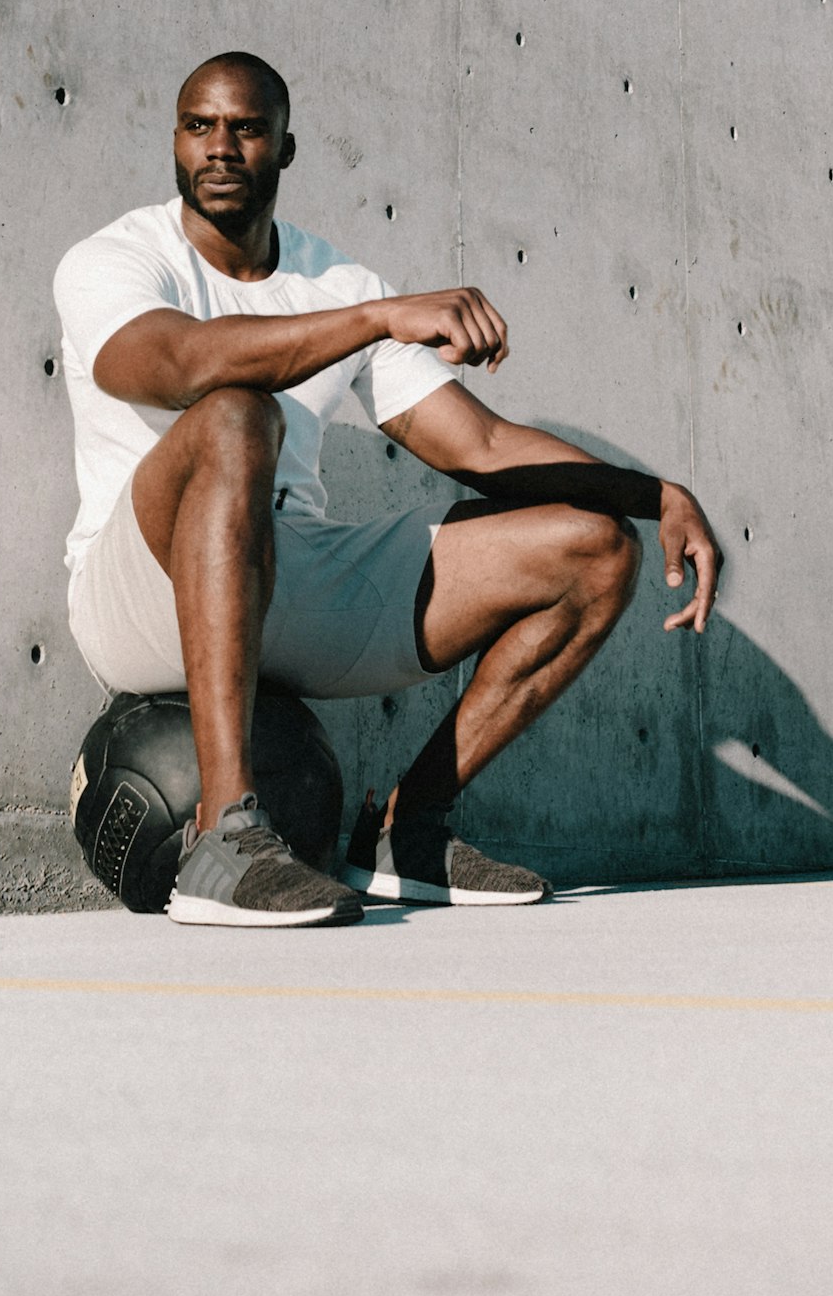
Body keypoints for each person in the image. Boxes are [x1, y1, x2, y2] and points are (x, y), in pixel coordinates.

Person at [53, 51, 720, 928]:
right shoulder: (115, 258)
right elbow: (176, 365)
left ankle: (408, 833)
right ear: (176, 140)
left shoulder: (333, 279)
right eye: (198, 126)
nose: (219, 147)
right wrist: (378, 318)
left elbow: (479, 445)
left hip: (286, 575)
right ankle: (224, 839)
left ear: (286, 148)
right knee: (236, 415)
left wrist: (655, 494)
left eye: (246, 129)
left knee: (593, 549)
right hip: (141, 590)